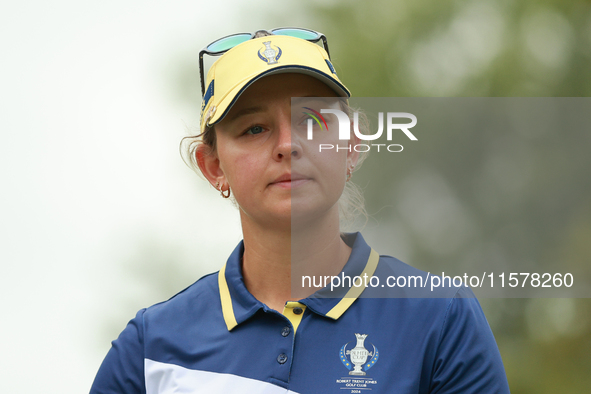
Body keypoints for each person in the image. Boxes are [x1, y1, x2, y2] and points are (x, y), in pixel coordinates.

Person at [90, 28, 510, 393]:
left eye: (313, 122)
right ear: (214, 166)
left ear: (351, 146)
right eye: (255, 128)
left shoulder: (441, 317)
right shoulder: (150, 346)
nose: (288, 144)